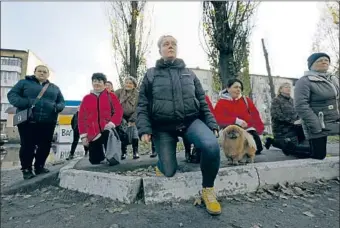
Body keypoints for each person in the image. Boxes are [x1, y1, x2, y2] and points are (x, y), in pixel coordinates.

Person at [137, 35, 221, 215]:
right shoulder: (151, 74)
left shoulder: (189, 73)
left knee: (211, 146)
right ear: (160, 50)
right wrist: (144, 129)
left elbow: (202, 101)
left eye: (173, 44)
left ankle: (208, 190)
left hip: (190, 121)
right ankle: (161, 164)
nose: (170, 46)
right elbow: (142, 104)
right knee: (168, 171)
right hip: (162, 126)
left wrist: (211, 123)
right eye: (166, 44)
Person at [7, 65, 65, 179]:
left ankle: (39, 166)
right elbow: (11, 95)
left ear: (48, 74)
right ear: (34, 72)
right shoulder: (23, 83)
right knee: (27, 145)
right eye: (39, 71)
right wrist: (26, 103)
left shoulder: (55, 88)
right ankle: (26, 169)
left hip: (48, 121)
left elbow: (61, 102)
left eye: (44, 72)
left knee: (45, 145)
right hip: (28, 120)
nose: (42, 73)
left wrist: (56, 107)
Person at [294, 52, 339, 159]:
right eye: (319, 60)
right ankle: (290, 148)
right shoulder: (304, 81)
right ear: (311, 65)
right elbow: (301, 105)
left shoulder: (333, 79)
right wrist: (315, 126)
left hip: (334, 120)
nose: (324, 62)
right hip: (317, 123)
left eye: (326, 60)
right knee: (318, 155)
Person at [78, 73, 123, 164]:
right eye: (94, 81)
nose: (97, 83)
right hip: (93, 133)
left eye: (99, 81)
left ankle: (113, 156)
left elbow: (119, 111)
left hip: (108, 130)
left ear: (104, 83)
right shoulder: (86, 98)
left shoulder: (111, 96)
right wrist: (83, 136)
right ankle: (99, 155)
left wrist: (112, 123)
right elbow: (81, 118)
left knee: (113, 161)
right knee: (95, 161)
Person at [214, 78, 264, 154]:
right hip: (231, 131)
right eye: (235, 87)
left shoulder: (245, 100)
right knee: (238, 150)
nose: (238, 89)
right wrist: (236, 121)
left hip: (247, 130)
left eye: (240, 88)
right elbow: (218, 119)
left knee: (257, 148)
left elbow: (255, 115)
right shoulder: (221, 102)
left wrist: (259, 130)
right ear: (228, 88)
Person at [264, 83, 305, 155]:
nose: (289, 88)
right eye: (286, 87)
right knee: (288, 148)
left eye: (289, 87)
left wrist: (300, 120)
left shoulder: (292, 100)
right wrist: (293, 121)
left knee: (303, 131)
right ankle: (271, 141)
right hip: (282, 128)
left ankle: (301, 147)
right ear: (280, 89)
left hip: (294, 126)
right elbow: (276, 115)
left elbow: (297, 112)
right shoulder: (276, 100)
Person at [115, 76, 140, 160]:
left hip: (133, 115)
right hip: (121, 115)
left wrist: (133, 119)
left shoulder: (137, 94)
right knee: (123, 133)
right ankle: (124, 152)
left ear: (134, 85)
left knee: (134, 132)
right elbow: (113, 103)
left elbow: (138, 108)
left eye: (130, 83)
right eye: (126, 83)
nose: (128, 85)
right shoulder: (119, 92)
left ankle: (135, 152)